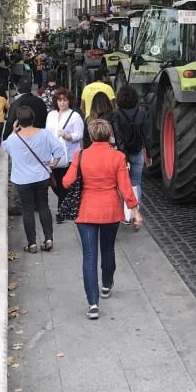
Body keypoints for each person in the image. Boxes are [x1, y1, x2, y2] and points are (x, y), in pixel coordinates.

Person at [62, 119, 141, 320]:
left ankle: (93, 303)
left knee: (89, 256)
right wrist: (135, 212)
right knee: (108, 249)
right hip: (110, 211)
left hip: (86, 211)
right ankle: (107, 284)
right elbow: (125, 188)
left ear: (91, 135)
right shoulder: (118, 157)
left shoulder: (81, 155)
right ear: (109, 136)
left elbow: (66, 182)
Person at [2, 106, 64, 254]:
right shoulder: (44, 134)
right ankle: (48, 239)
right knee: (43, 206)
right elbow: (59, 150)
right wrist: (54, 163)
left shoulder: (13, 139)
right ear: (33, 118)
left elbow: (5, 147)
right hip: (41, 176)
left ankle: (32, 244)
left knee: (27, 209)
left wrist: (13, 130)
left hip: (22, 179)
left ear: (18, 121)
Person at [110, 85, 152, 225]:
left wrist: (123, 155)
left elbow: (118, 138)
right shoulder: (142, 113)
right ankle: (135, 213)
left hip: (122, 154)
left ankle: (126, 215)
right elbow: (147, 136)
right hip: (138, 151)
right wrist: (149, 155)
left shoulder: (116, 115)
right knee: (136, 183)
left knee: (122, 184)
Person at [45, 87, 84, 224]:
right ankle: (65, 207)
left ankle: (61, 212)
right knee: (55, 183)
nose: (62, 103)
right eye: (60, 100)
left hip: (69, 155)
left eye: (65, 100)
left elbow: (80, 135)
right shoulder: (51, 115)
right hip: (53, 154)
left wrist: (68, 136)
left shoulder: (75, 116)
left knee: (64, 183)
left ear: (69, 101)